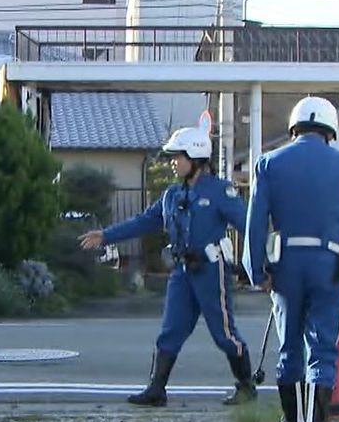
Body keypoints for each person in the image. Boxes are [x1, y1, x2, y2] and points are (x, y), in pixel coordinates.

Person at [78, 127, 256, 407]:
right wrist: (107, 235)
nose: (173, 162)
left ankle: (246, 387)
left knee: (224, 333)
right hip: (182, 273)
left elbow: (248, 226)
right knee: (170, 331)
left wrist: (261, 265)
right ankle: (156, 389)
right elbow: (145, 220)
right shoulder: (172, 194)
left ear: (196, 157)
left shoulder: (221, 191)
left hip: (211, 271)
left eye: (178, 156)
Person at [243, 96, 339, 422]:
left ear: (294, 128)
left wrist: (256, 269)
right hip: (328, 262)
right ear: (330, 130)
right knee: (323, 348)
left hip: (286, 263)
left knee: (289, 345)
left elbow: (255, 223)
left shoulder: (269, 163)